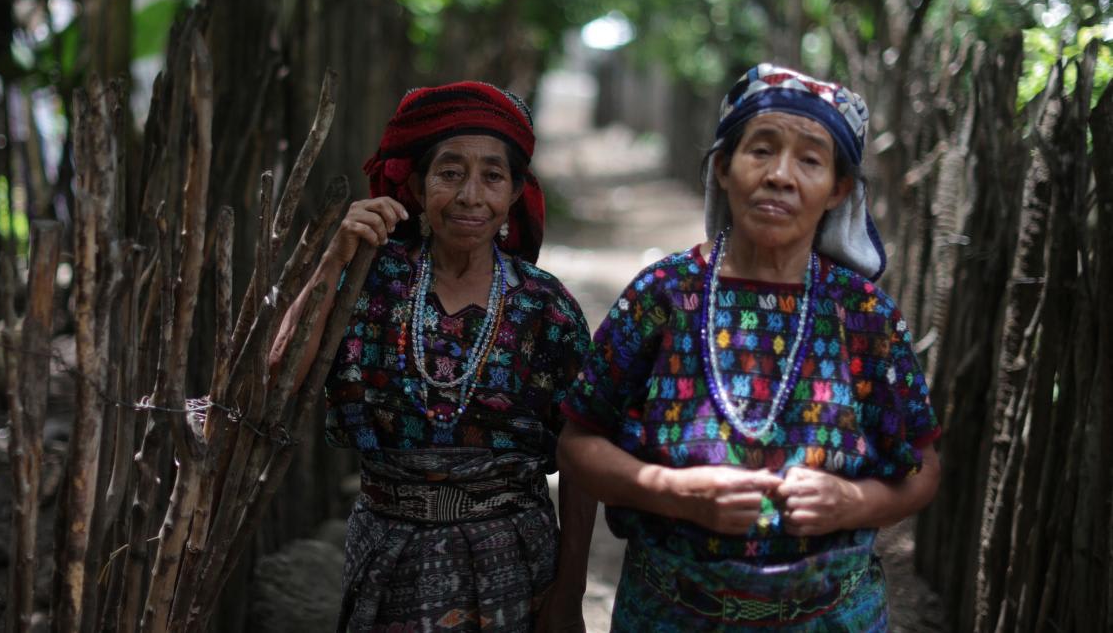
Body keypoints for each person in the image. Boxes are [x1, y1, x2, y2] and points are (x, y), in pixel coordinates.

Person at [557, 64, 941, 630]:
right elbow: (578, 442)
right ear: (722, 166)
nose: (780, 175)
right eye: (760, 150)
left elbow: (923, 465)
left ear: (837, 189)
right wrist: (673, 491)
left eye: (810, 159)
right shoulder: (663, 295)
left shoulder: (865, 318)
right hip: (670, 614)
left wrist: (854, 504)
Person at [272, 81, 597, 633]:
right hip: (389, 557)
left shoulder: (548, 309)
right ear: (418, 187)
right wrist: (334, 258)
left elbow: (583, 453)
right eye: (450, 173)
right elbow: (277, 378)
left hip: (514, 563)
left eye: (493, 176)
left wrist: (570, 592)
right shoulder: (368, 283)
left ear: (516, 191)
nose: (472, 195)